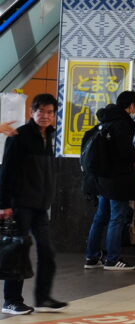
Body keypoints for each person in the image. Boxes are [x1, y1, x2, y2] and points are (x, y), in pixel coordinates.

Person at [0, 93, 67, 316]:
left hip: (40, 205)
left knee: (47, 250)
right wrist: (4, 204)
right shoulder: (19, 136)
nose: (45, 116)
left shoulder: (48, 136)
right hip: (20, 204)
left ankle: (43, 298)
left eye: (49, 112)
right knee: (17, 252)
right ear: (32, 112)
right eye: (40, 111)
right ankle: (11, 301)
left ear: (54, 115)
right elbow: (6, 172)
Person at [84, 90, 135, 271]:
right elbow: (124, 149)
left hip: (102, 178)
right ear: (131, 105)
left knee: (100, 218)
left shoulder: (106, 121)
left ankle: (91, 257)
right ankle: (112, 259)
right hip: (117, 179)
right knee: (117, 218)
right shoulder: (122, 123)